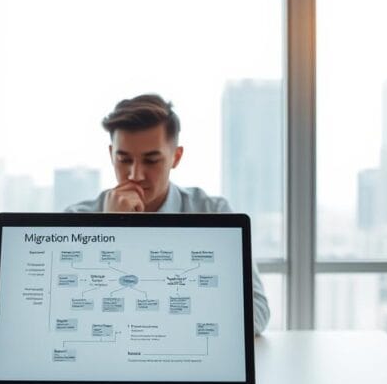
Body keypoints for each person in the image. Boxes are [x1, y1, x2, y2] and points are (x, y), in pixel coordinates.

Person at [65, 94, 270, 334]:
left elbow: (257, 313)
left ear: (176, 157)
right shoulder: (76, 219)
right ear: (111, 154)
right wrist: (111, 229)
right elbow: (69, 311)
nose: (135, 174)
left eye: (151, 160)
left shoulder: (214, 213)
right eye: (124, 159)